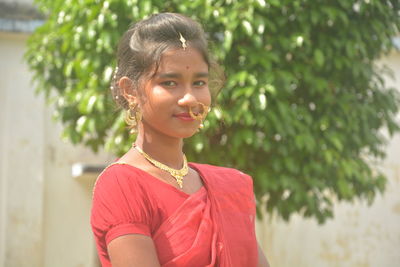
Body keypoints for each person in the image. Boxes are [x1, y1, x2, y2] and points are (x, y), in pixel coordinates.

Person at [90, 13, 269, 267]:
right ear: (130, 91)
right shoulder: (122, 184)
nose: (189, 98)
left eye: (199, 82)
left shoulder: (227, 187)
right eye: (170, 82)